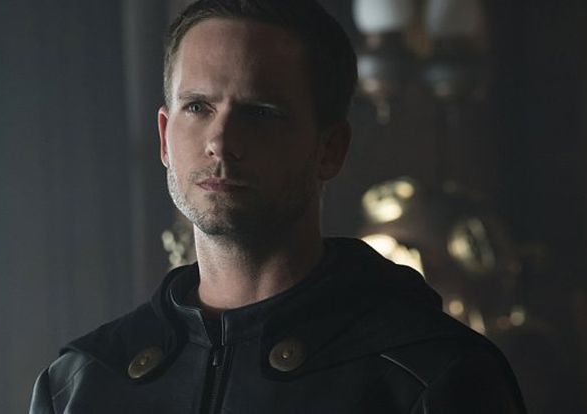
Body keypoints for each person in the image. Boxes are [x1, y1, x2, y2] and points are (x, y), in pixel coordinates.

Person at [30, 0, 526, 412]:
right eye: (198, 107)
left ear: (329, 149)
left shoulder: (433, 374)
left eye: (260, 112)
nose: (221, 142)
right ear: (164, 136)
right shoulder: (80, 383)